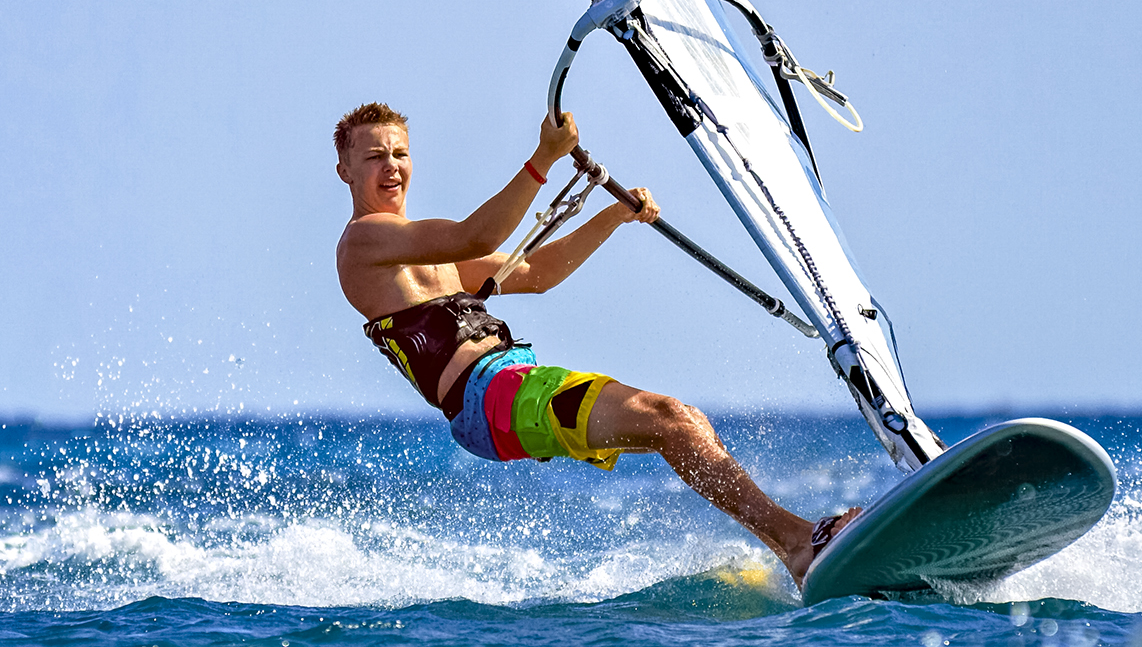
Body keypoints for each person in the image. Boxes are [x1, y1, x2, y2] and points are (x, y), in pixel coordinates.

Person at [332, 100, 855, 585]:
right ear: (346, 172)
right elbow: (479, 235)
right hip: (493, 400)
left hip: (510, 395)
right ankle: (799, 544)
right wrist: (544, 158)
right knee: (670, 418)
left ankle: (795, 549)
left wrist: (614, 215)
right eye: (375, 156)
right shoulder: (363, 241)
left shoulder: (427, 255)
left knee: (677, 426)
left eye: (400, 153)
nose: (392, 166)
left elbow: (537, 270)